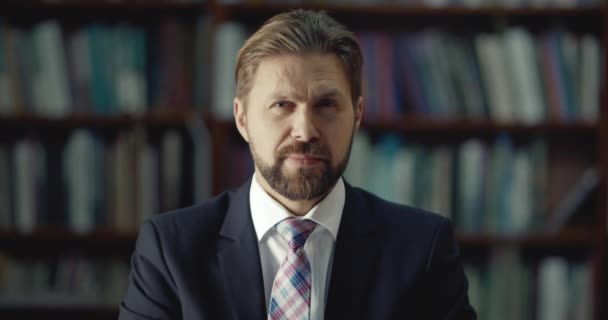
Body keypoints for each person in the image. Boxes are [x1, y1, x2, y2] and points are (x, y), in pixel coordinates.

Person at [119, 9, 477, 320]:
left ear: (358, 115)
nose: (305, 131)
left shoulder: (422, 250)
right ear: (242, 120)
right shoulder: (170, 251)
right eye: (281, 106)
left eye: (326, 105)